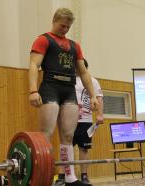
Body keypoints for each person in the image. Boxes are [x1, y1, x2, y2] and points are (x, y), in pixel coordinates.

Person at [28, 8, 98, 186]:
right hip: (50, 88)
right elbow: (34, 65)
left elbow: (83, 72)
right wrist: (33, 90)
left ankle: (69, 177)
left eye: (68, 27)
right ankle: (45, 176)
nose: (64, 30)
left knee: (67, 135)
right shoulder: (43, 40)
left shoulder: (75, 46)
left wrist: (93, 96)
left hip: (68, 90)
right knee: (46, 134)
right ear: (54, 20)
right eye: (62, 26)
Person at [55, 59, 104, 185]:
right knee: (65, 148)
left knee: (84, 148)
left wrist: (99, 114)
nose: (77, 69)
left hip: (85, 121)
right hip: (68, 119)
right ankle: (62, 175)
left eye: (80, 67)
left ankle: (84, 175)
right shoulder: (68, 80)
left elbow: (99, 98)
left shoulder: (92, 81)